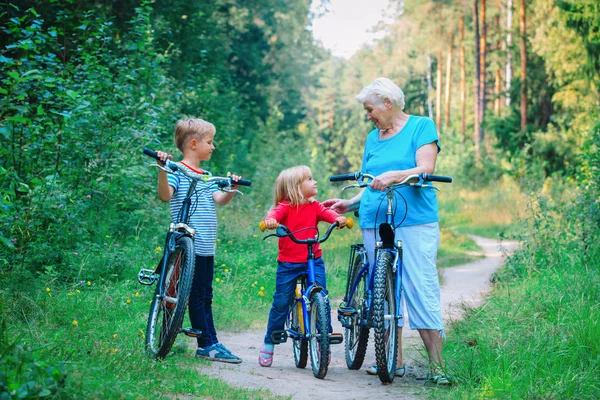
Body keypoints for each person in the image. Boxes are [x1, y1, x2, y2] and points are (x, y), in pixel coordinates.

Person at [323, 77, 450, 384]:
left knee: (420, 285)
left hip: (415, 217)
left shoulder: (422, 126)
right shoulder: (372, 138)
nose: (368, 115)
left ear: (387, 104)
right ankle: (393, 358)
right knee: (382, 290)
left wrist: (395, 175)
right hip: (373, 216)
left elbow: (425, 168)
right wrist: (350, 203)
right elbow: (370, 182)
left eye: (370, 109)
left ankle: (438, 365)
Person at [155, 118, 243, 364]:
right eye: (209, 142)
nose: (213, 147)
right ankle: (206, 344)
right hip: (185, 246)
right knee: (181, 293)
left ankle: (210, 341)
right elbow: (165, 196)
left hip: (205, 246)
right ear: (194, 144)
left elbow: (220, 199)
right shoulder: (176, 170)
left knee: (204, 294)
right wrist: (162, 168)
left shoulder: (206, 176)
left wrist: (232, 188)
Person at [258, 166, 347, 367]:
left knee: (321, 298)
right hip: (289, 263)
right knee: (281, 302)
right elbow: (273, 215)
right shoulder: (285, 206)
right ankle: (269, 341)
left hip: (313, 260)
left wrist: (338, 219)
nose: (314, 182)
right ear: (294, 188)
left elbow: (326, 213)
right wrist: (270, 221)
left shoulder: (314, 206)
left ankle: (323, 340)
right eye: (309, 179)